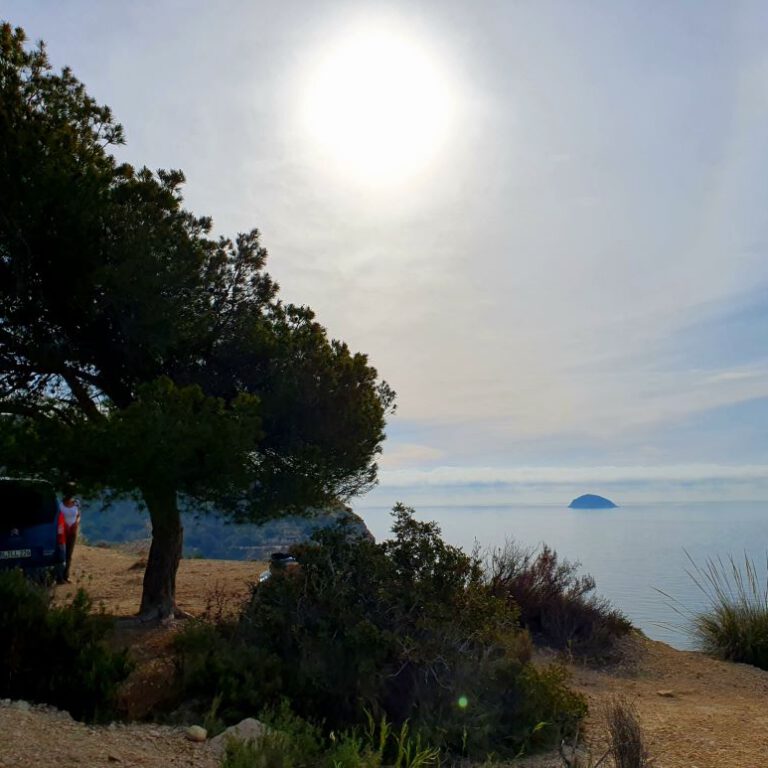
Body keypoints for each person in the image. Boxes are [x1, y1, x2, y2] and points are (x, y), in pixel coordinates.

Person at [59, 492, 81, 583]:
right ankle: (59, 576)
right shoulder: (60, 505)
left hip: (72, 531)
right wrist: (65, 525)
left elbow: (78, 515)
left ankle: (66, 575)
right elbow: (58, 516)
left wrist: (76, 523)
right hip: (62, 531)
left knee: (69, 554)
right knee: (61, 553)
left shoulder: (76, 503)